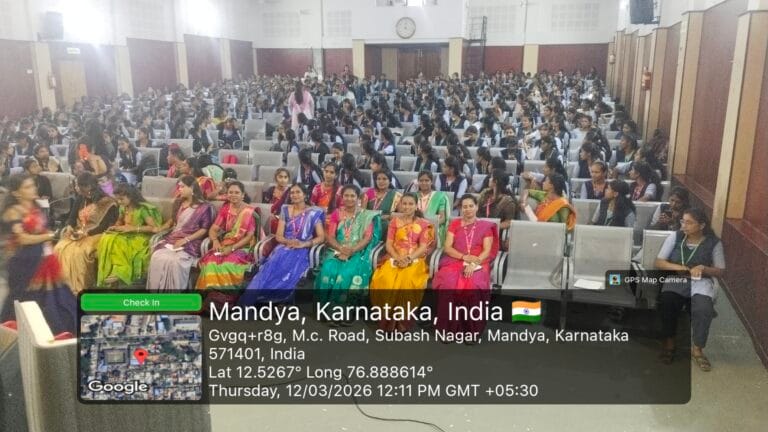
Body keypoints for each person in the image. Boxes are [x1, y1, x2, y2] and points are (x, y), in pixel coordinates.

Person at [0, 174, 76, 333]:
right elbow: (22, 239)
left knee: (57, 298)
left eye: (33, 185)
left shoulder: (36, 207)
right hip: (24, 263)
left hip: (44, 259)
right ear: (16, 193)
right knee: (25, 302)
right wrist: (51, 236)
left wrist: (50, 247)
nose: (33, 189)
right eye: (27, 187)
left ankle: (57, 332)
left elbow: (42, 231)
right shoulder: (13, 212)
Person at [655, 208, 725, 371]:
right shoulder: (676, 237)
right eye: (682, 221)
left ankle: (697, 349)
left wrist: (704, 268)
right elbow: (659, 262)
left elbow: (720, 271)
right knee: (667, 302)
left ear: (702, 225)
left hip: (701, 281)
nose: (683, 225)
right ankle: (670, 343)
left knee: (704, 309)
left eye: (689, 222)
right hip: (677, 278)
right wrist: (679, 267)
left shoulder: (714, 243)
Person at [239, 184, 326, 304]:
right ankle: (260, 297)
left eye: (298, 192)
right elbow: (279, 235)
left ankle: (277, 299)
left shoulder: (313, 212)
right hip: (284, 246)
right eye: (292, 193)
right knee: (272, 266)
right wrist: (288, 241)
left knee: (290, 268)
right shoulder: (285, 209)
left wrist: (304, 244)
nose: (294, 195)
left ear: (305, 195)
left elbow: (321, 237)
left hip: (302, 248)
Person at [431, 194, 499, 340]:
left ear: (477, 207)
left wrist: (473, 264)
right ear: (461, 209)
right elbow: (448, 247)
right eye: (464, 207)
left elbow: (487, 251)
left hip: (479, 261)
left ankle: (471, 331)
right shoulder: (455, 224)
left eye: (471, 206)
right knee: (448, 284)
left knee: (474, 285)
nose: (467, 209)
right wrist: (463, 257)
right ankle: (448, 329)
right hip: (455, 259)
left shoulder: (485, 226)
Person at [370, 193, 434, 332]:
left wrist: (409, 259)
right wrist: (397, 258)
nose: (407, 207)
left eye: (411, 204)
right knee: (385, 279)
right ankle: (388, 321)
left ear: (416, 206)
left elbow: (423, 247)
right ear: (400, 205)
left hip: (415, 258)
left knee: (407, 280)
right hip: (394, 257)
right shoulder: (394, 222)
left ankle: (403, 321)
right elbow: (389, 244)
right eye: (404, 203)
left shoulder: (424, 224)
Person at [315, 185, 381, 318]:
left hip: (358, 251)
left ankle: (343, 312)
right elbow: (331, 236)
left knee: (346, 273)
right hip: (337, 249)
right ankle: (324, 310)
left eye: (352, 196)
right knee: (328, 269)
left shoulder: (366, 215)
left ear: (358, 198)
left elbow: (367, 238)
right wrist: (341, 249)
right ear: (342, 197)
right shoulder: (337, 213)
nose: (349, 198)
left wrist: (352, 250)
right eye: (346, 195)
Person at [54, 172, 119, 293]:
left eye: (79, 186)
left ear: (88, 186)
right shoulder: (81, 198)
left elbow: (104, 226)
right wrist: (69, 226)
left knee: (78, 252)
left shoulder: (108, 202)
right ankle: (63, 286)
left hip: (97, 234)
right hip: (79, 232)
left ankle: (79, 287)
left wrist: (86, 233)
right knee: (59, 247)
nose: (77, 188)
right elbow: (72, 217)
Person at [147, 176, 214, 291]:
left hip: (192, 241)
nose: (179, 189)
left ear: (192, 187)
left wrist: (186, 240)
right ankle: (157, 293)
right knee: (157, 256)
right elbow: (174, 222)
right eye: (179, 187)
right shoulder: (178, 203)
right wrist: (161, 228)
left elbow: (204, 229)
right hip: (173, 238)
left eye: (182, 187)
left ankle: (175, 293)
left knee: (176, 261)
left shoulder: (204, 207)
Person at [195, 181, 260, 291]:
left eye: (237, 192)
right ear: (227, 194)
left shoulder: (249, 211)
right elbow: (213, 229)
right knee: (211, 262)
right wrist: (215, 241)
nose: (233, 195)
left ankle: (226, 295)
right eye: (230, 192)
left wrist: (232, 248)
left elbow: (249, 237)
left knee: (228, 265)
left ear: (243, 195)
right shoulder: (225, 209)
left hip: (244, 246)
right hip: (226, 243)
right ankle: (210, 293)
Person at [96, 184, 163, 287]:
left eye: (121, 199)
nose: (119, 202)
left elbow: (153, 228)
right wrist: (115, 226)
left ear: (130, 197)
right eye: (118, 199)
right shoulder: (123, 207)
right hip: (126, 234)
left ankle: (121, 270)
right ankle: (110, 270)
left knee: (118, 241)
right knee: (106, 237)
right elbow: (120, 221)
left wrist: (133, 228)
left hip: (140, 237)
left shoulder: (142, 209)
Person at [413, 171, 450, 247]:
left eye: (427, 180)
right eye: (421, 180)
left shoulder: (440, 196)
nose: (424, 183)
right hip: (414, 228)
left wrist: (427, 226)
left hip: (432, 229)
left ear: (431, 182)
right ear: (418, 182)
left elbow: (442, 218)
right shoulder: (413, 196)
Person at [362, 170, 402, 234]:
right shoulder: (369, 192)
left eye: (384, 179)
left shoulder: (396, 196)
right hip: (368, 225)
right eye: (378, 179)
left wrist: (388, 216)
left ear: (390, 181)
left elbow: (403, 215)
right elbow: (362, 212)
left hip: (385, 227)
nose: (381, 181)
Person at [263, 167, 291, 233]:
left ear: (288, 179)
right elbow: (265, 206)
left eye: (285, 177)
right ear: (276, 178)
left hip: (286, 217)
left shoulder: (290, 191)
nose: (283, 180)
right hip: (272, 216)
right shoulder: (271, 190)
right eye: (280, 177)